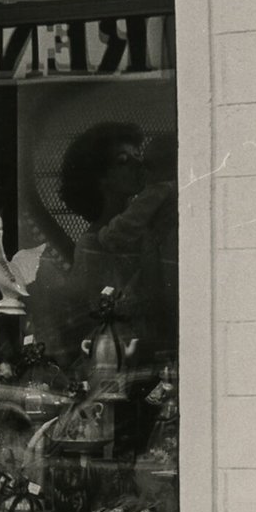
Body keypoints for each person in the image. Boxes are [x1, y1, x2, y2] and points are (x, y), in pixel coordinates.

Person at [57, 121, 177, 360]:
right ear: (101, 177)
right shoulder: (94, 246)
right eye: (123, 161)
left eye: (137, 156)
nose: (138, 164)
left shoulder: (149, 220)